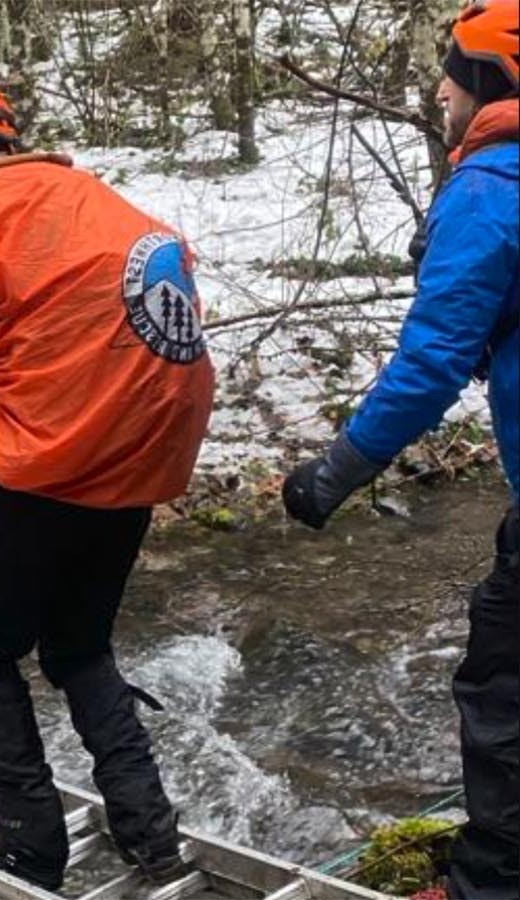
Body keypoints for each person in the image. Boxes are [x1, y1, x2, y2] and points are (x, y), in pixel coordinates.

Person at [0, 81, 215, 889]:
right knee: (79, 646)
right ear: (13, 140)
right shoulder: (93, 196)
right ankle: (151, 833)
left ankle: (28, 836)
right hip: (139, 455)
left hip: (49, 463)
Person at [283, 3, 518, 894]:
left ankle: (490, 885)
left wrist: (332, 474)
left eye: (453, 77)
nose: (440, 93)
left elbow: (429, 365)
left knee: (502, 690)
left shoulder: (493, 188)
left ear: (492, 83)